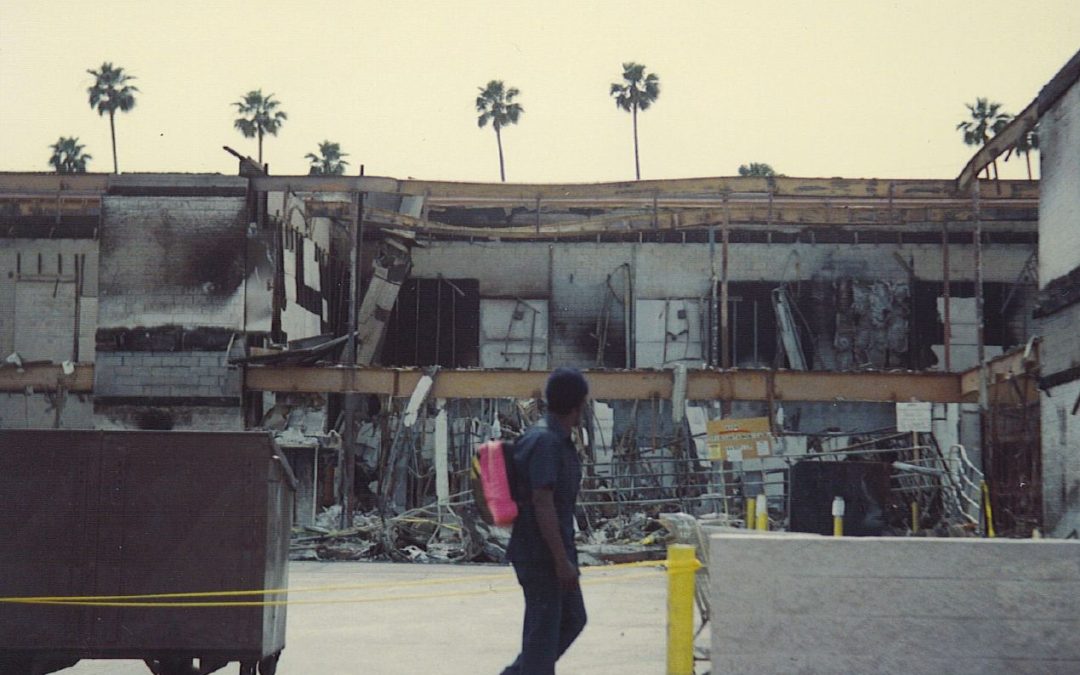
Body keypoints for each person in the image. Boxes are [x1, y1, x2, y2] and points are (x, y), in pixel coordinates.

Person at [501, 367, 589, 675]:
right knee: (543, 635)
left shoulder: (554, 438)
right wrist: (560, 560)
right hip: (541, 555)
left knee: (572, 618)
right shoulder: (546, 442)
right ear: (579, 405)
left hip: (550, 549)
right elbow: (543, 503)